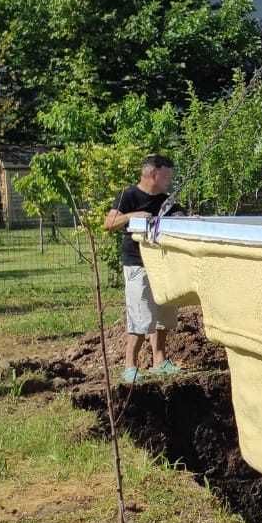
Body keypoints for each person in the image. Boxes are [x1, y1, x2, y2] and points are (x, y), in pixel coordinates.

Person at [104, 155, 180, 384]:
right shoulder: (129, 196)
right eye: (167, 175)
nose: (170, 180)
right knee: (140, 314)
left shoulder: (167, 201)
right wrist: (131, 216)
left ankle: (160, 361)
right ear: (153, 174)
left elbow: (181, 217)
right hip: (137, 263)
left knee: (164, 312)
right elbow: (109, 224)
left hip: (162, 263)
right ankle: (130, 366)